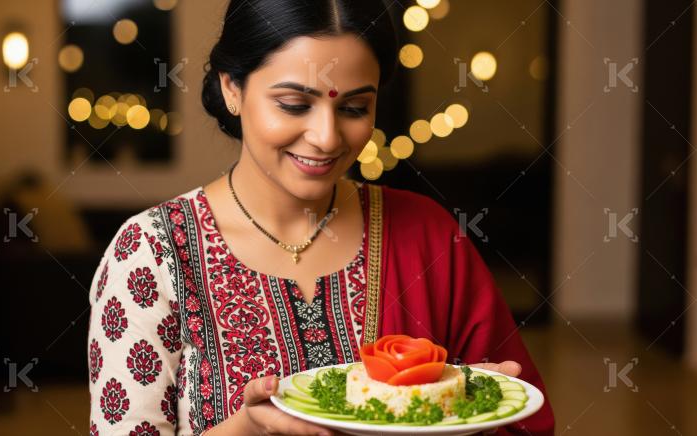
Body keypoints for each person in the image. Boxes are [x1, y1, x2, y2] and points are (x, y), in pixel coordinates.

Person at [87, 0, 556, 434]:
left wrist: (469, 417)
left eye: (354, 107)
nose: (327, 137)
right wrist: (249, 428)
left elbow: (522, 419)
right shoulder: (150, 254)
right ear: (232, 88)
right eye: (294, 105)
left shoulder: (428, 234)